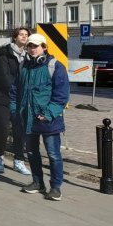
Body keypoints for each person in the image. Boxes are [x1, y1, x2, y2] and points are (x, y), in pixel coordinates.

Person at [11, 34, 69, 201]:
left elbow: (61, 96)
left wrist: (48, 114)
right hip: (27, 118)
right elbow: (15, 91)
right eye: (30, 46)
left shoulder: (55, 66)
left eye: (36, 46)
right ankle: (37, 182)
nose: (32, 49)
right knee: (31, 152)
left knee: (53, 154)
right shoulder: (23, 66)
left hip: (49, 120)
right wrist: (15, 110)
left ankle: (56, 187)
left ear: (44, 47)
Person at [0, 27, 31, 175]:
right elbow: (2, 75)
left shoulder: (28, 55)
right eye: (21, 34)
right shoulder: (4, 53)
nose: (24, 37)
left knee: (19, 130)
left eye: (26, 35)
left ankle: (19, 160)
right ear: (15, 37)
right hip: (3, 97)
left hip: (21, 99)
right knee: (2, 127)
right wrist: (15, 90)